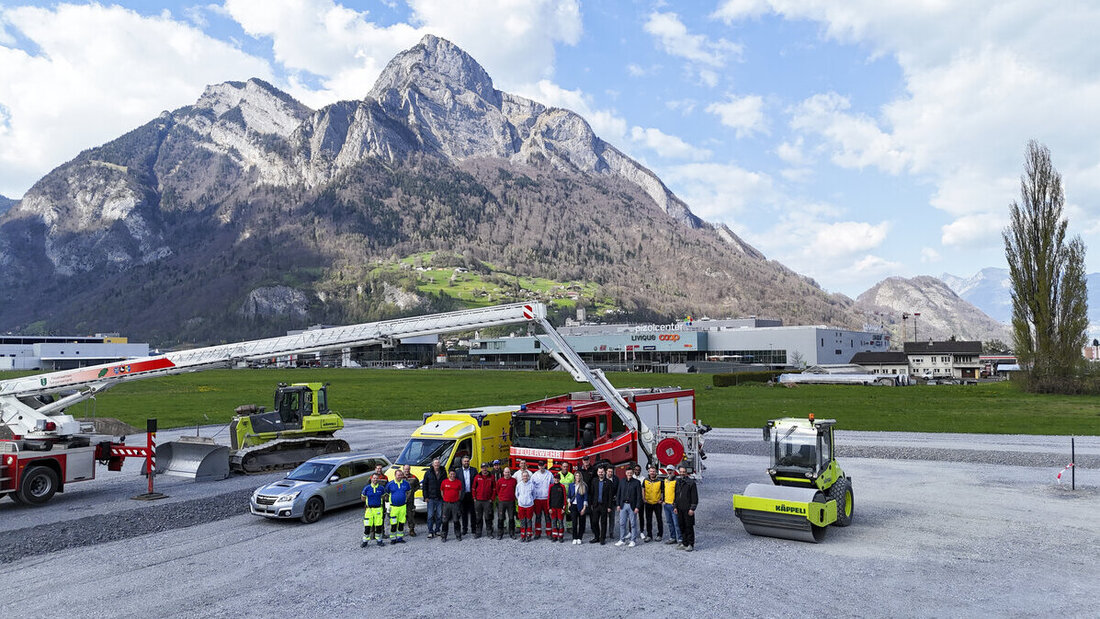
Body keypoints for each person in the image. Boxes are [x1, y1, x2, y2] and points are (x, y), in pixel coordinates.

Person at [615, 465, 642, 548]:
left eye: (631, 473)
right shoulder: (622, 481)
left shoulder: (637, 482)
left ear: (633, 473)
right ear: (625, 473)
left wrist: (637, 507)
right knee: (622, 523)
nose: (629, 474)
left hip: (632, 506)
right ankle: (622, 540)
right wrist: (618, 504)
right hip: (623, 505)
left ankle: (633, 540)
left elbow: (639, 496)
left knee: (633, 524)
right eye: (628, 473)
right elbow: (618, 493)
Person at [674, 464, 699, 552]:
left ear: (686, 472)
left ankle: (690, 544)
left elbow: (695, 497)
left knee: (689, 526)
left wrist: (692, 508)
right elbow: (676, 495)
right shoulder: (678, 482)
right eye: (681, 472)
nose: (682, 473)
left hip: (688, 509)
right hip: (679, 508)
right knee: (682, 526)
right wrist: (675, 506)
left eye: (684, 472)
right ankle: (684, 543)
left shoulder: (691, 483)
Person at [361, 473, 388, 548]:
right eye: (374, 478)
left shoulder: (381, 488)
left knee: (378, 526)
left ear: (378, 479)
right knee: (367, 526)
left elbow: (384, 496)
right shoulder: (367, 488)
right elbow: (363, 497)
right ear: (371, 479)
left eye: (376, 478)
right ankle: (365, 541)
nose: (375, 479)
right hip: (369, 510)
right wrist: (368, 503)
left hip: (378, 509)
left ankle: (379, 540)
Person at [421, 458, 446, 539]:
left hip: (440, 498)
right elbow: (425, 485)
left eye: (438, 463)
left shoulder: (443, 472)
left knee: (439, 515)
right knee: (430, 516)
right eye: (435, 464)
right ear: (432, 465)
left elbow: (445, 484)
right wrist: (425, 497)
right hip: (430, 498)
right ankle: (430, 531)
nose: (437, 465)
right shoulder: (428, 473)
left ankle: (437, 530)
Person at [386, 469, 411, 544]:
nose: (399, 476)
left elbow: (409, 491)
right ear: (395, 475)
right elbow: (386, 493)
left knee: (401, 523)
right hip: (394, 507)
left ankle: (400, 537)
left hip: (402, 507)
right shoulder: (390, 484)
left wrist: (406, 498)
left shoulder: (405, 483)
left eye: (401, 475)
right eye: (398, 475)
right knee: (393, 524)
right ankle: (393, 538)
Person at [529, 461, 553, 539]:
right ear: (538, 466)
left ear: (545, 466)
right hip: (538, 499)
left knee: (547, 516)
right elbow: (531, 488)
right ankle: (537, 533)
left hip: (546, 498)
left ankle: (549, 533)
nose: (541, 467)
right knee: (538, 516)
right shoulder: (534, 475)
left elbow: (552, 485)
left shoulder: (549, 474)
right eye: (540, 466)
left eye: (542, 466)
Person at [588, 466, 611, 545]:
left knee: (603, 522)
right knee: (594, 522)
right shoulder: (594, 481)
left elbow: (610, 496)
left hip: (604, 505)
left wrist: (609, 506)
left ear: (604, 472)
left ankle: (602, 538)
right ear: (597, 473)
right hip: (596, 505)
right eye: (599, 472)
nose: (601, 473)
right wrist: (591, 503)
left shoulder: (608, 482)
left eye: (602, 472)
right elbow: (591, 493)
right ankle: (596, 537)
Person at [472, 462, 496, 538]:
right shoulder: (477, 477)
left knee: (488, 517)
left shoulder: (491, 477)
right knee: (478, 517)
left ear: (487, 468)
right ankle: (478, 532)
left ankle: (489, 532)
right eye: (483, 467)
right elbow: (473, 488)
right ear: (481, 468)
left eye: (486, 467)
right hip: (478, 501)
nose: (484, 469)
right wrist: (474, 498)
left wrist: (492, 499)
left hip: (487, 501)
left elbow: (494, 489)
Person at [454, 456, 476, 537]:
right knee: (464, 513)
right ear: (462, 462)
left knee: (473, 512)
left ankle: (474, 528)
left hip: (471, 494)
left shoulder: (474, 470)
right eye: (465, 461)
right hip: (462, 495)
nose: (466, 462)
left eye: (467, 461)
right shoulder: (458, 472)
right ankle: (465, 529)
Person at [641, 464, 664, 542]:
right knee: (648, 520)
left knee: (659, 519)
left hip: (657, 503)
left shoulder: (660, 481)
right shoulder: (646, 480)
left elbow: (663, 491)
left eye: (654, 471)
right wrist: (643, 498)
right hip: (648, 503)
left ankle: (660, 535)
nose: (652, 473)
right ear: (648, 472)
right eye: (651, 471)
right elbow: (643, 489)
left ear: (656, 472)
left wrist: (662, 500)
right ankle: (649, 535)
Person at [440, 468, 464, 542]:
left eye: (453, 474)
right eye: (451, 474)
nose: (452, 475)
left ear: (455, 474)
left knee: (456, 520)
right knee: (445, 520)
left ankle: (458, 535)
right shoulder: (444, 482)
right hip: (446, 504)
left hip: (455, 504)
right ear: (449, 474)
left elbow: (460, 492)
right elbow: (442, 491)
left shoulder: (458, 482)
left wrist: (456, 499)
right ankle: (444, 536)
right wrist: (445, 499)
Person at [494, 466, 518, 539]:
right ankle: (500, 533)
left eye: (508, 472)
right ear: (503, 473)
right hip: (502, 502)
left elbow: (516, 490)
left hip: (511, 502)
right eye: (505, 472)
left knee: (511, 518)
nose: (507, 474)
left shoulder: (514, 481)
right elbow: (497, 491)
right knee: (501, 518)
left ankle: (512, 533)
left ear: (510, 473)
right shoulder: (500, 481)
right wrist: (501, 497)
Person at [515, 470, 536, 542]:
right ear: (521, 477)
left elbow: (534, 495)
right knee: (522, 521)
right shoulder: (519, 485)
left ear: (528, 476)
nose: (525, 477)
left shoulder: (531, 485)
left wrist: (530, 500)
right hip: (521, 505)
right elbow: (517, 495)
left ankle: (529, 535)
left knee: (529, 520)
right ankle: (523, 535)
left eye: (526, 476)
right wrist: (521, 500)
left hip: (529, 505)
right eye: (524, 476)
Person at [662, 466, 680, 545]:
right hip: (666, 505)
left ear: (674, 471)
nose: (669, 472)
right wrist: (663, 500)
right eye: (668, 470)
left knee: (676, 523)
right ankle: (673, 537)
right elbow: (664, 491)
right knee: (669, 522)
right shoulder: (665, 480)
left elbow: (678, 494)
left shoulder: (677, 481)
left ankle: (680, 539)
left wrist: (676, 504)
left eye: (671, 470)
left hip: (673, 505)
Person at [548, 471, 567, 542]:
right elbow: (549, 498)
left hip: (560, 508)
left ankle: (561, 536)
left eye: (558, 478)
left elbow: (564, 498)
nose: (556, 480)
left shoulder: (562, 487)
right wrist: (549, 508)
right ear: (553, 479)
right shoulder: (551, 486)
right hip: (553, 508)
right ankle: (555, 536)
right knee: (554, 522)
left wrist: (564, 507)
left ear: (560, 479)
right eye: (555, 478)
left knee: (561, 522)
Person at [401, 464, 420, 537]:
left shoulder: (414, 477)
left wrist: (412, 491)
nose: (407, 471)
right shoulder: (400, 477)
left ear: (410, 469)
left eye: (408, 469)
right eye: (405, 469)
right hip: (401, 500)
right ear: (403, 469)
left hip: (410, 500)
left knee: (411, 515)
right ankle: (400, 530)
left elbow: (417, 485)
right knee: (401, 516)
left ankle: (411, 530)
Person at [569, 477, 588, 544]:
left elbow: (586, 498)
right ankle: (574, 537)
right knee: (574, 523)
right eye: (576, 475)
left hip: (581, 506)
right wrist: (569, 502)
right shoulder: (571, 485)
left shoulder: (584, 486)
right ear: (574, 477)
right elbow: (569, 496)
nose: (577, 477)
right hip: (573, 506)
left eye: (579, 475)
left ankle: (580, 537)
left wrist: (584, 508)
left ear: (581, 477)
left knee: (581, 523)